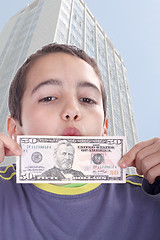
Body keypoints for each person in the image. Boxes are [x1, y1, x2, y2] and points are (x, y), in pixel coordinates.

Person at [0, 43, 160, 240]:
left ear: (104, 129)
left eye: (87, 100)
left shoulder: (150, 194)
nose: (72, 111)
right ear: (15, 129)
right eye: (49, 97)